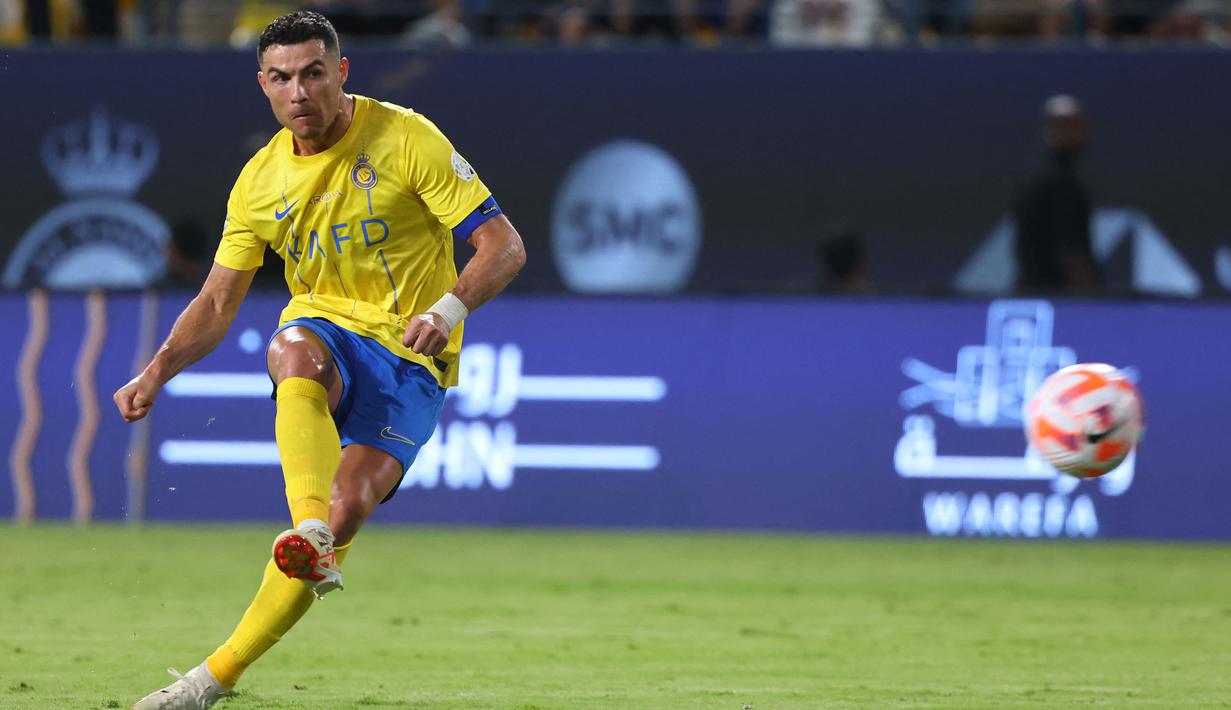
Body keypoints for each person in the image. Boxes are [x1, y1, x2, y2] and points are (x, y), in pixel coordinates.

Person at [114, 10, 526, 709]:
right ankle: (306, 523)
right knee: (293, 349)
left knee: (348, 513)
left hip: (411, 353)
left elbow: (504, 245)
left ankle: (210, 679)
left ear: (341, 73)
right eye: (281, 78)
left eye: (312, 73)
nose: (298, 92)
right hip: (325, 327)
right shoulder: (258, 182)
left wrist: (447, 310)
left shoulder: (406, 138)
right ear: (263, 85)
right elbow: (216, 302)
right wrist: (156, 371)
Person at [1012, 94, 1099, 293]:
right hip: (1056, 297)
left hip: (1041, 294)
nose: (1073, 134)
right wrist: (1089, 298)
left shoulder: (1058, 181)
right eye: (1064, 127)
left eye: (1077, 126)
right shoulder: (1057, 185)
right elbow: (1070, 254)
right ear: (1048, 130)